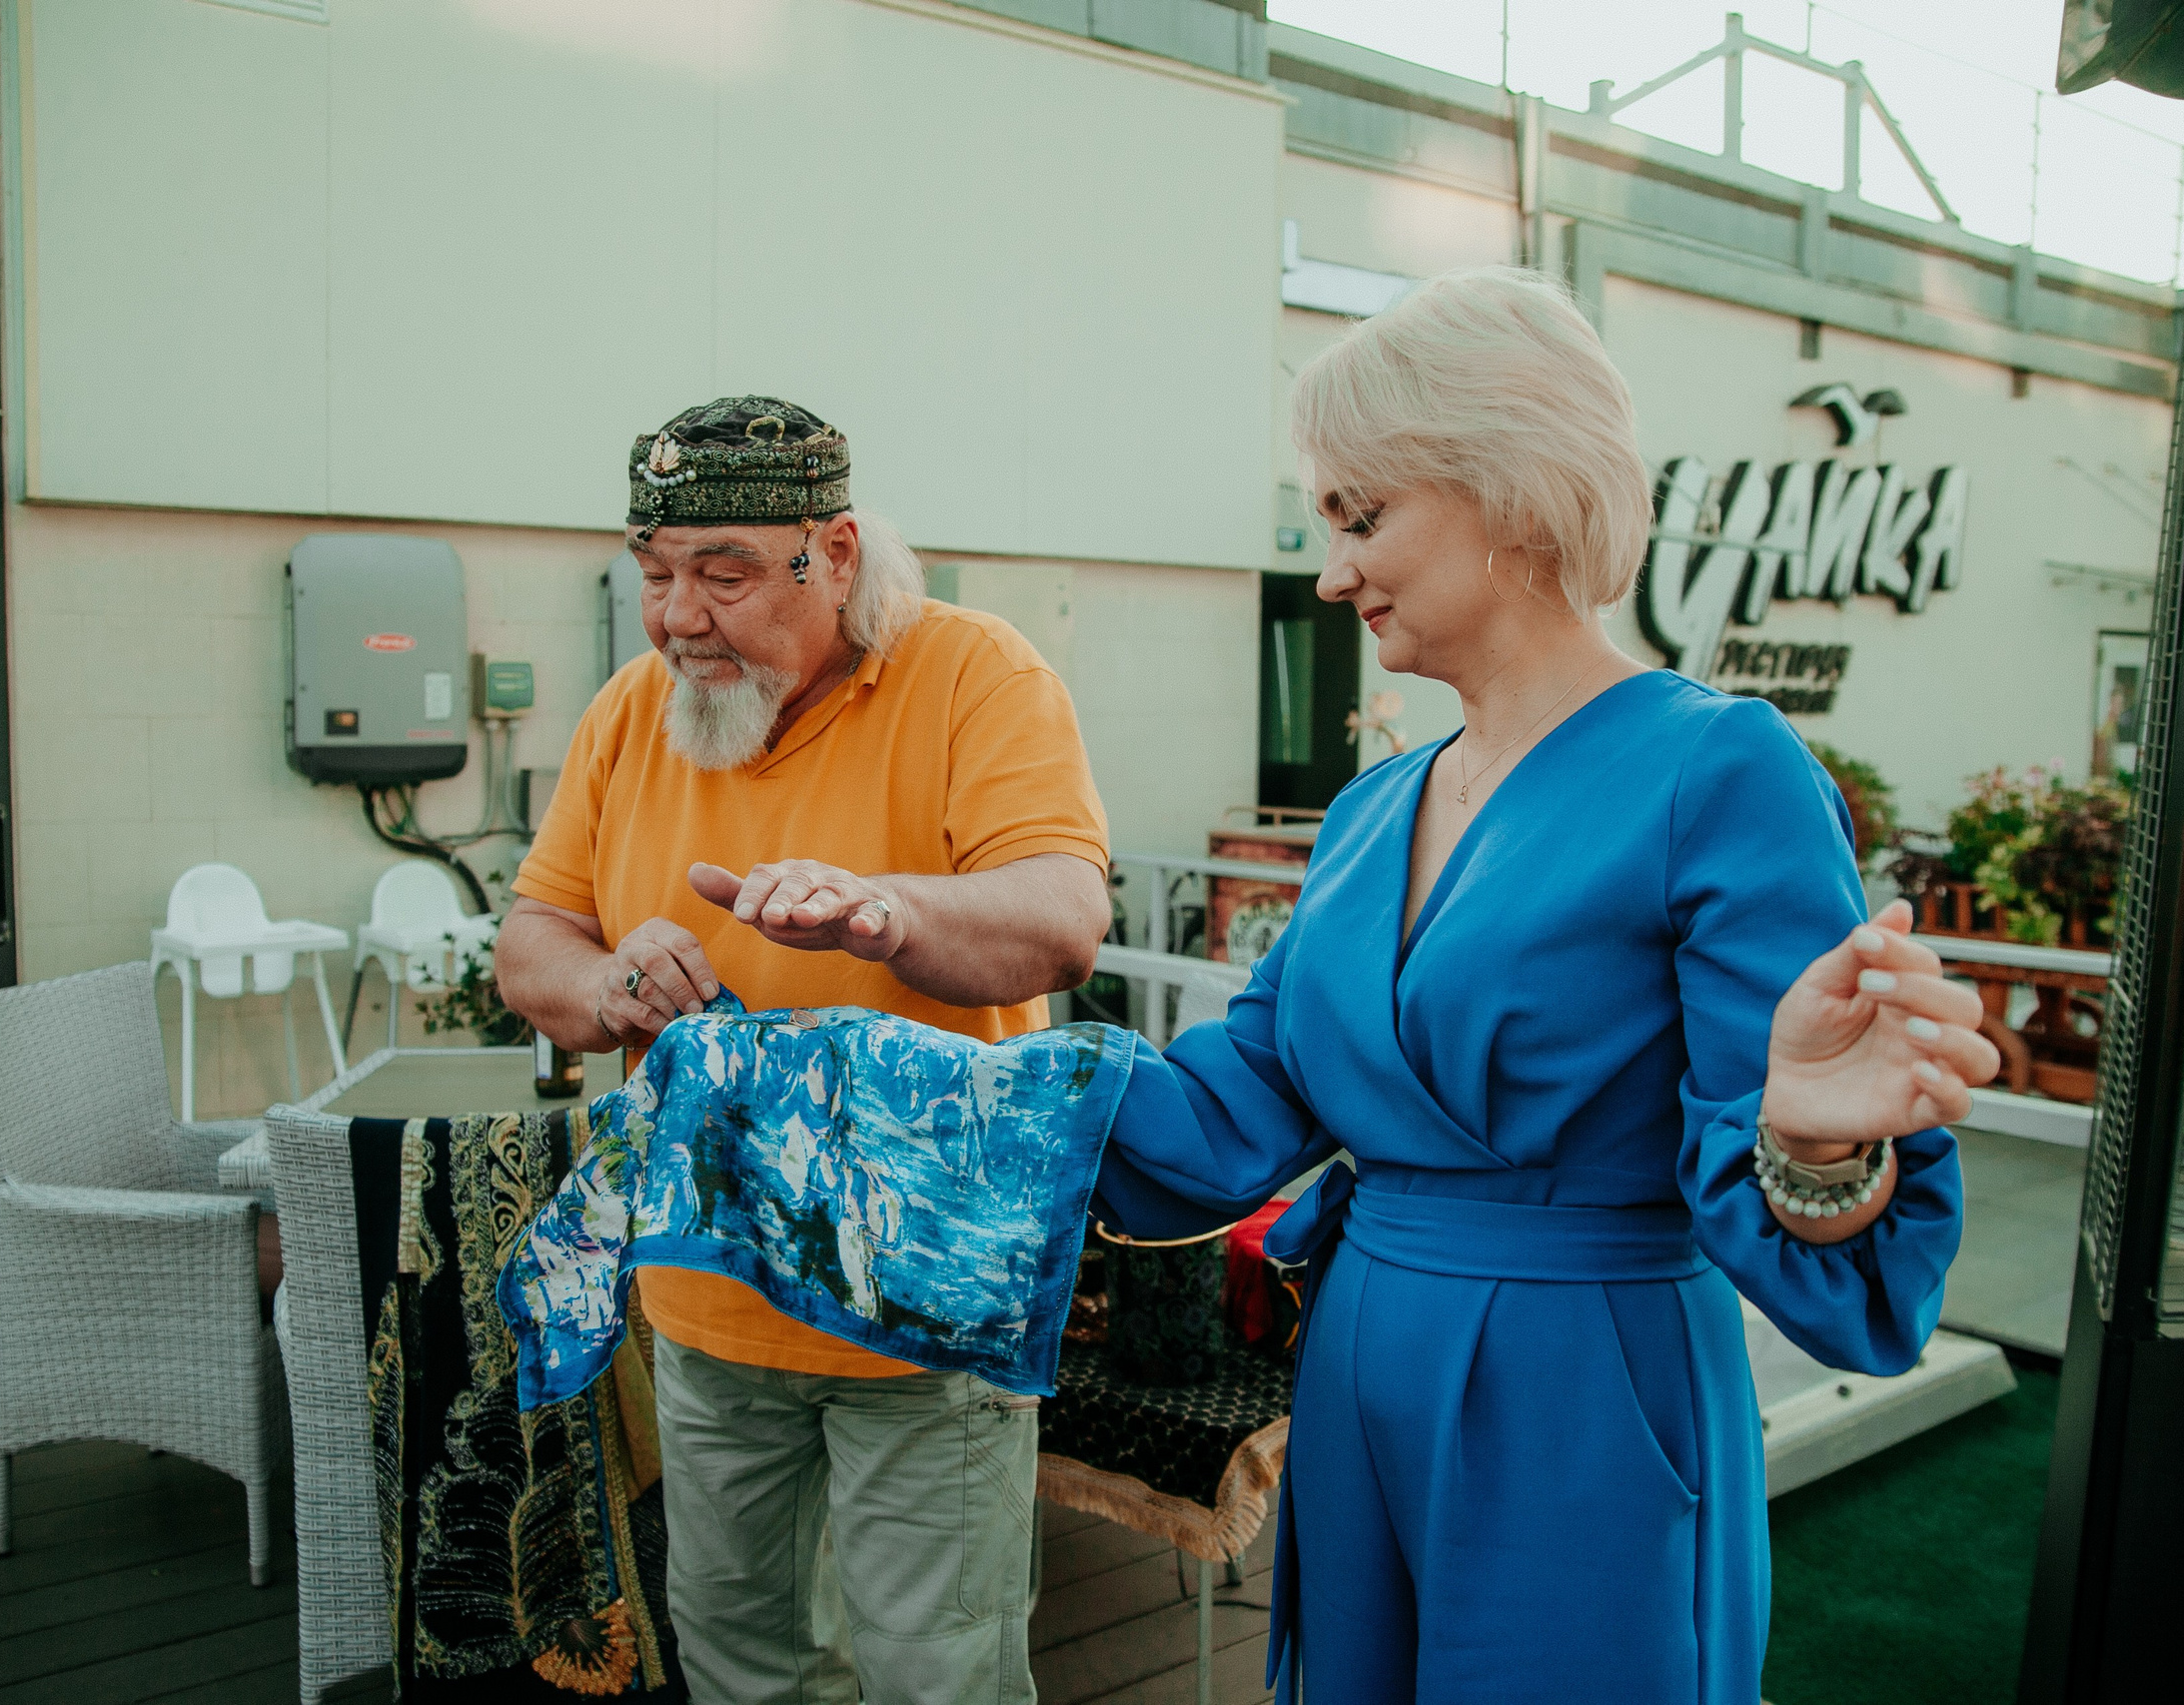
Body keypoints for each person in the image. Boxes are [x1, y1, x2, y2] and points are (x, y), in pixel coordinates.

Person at [1088, 270, 1996, 1703]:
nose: (1330, 575)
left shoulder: (1721, 767)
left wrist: (1816, 1143)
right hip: (1359, 1366)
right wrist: (976, 1067)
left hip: (1583, 1387)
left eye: (1359, 515)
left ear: (1509, 485)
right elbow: (1233, 1104)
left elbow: (1833, 1238)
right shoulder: (1368, 808)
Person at [496, 396, 1112, 1705]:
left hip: (922, 1299)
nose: (678, 618)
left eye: (721, 575)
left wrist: (893, 914)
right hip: (711, 1295)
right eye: (654, 575)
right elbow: (530, 941)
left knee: (933, 1674)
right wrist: (608, 983)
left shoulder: (972, 675)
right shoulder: (629, 711)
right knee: (741, 1665)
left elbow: (1062, 921)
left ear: (833, 552)